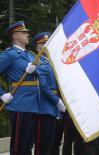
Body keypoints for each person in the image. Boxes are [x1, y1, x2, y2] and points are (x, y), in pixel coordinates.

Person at [0, 21, 38, 155]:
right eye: (24, 33)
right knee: (19, 147)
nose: (27, 35)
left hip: (34, 104)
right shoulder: (9, 54)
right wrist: (2, 94)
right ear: (15, 36)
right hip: (20, 104)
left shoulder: (30, 54)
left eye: (27, 32)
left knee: (28, 146)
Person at [32, 32, 66, 155]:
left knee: (55, 143)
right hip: (46, 107)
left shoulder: (52, 62)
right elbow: (43, 85)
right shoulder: (39, 62)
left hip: (56, 106)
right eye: (44, 43)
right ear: (38, 47)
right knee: (44, 144)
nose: (48, 45)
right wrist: (56, 101)